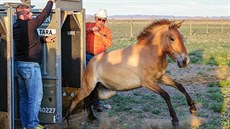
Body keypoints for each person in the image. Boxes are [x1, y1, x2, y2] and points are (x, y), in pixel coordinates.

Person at [13, 0, 56, 128]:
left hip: (19, 66)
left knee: (24, 98)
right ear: (22, 15)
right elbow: (43, 16)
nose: (31, 14)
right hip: (31, 67)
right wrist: (50, 2)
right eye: (29, 13)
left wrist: (43, 39)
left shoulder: (15, 27)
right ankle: (32, 125)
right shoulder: (29, 25)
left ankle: (25, 125)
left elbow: (28, 40)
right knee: (35, 98)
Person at [86, 9, 112, 112]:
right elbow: (80, 30)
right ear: (95, 18)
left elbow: (109, 43)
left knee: (97, 81)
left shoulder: (106, 31)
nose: (101, 22)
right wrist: (91, 30)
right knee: (87, 80)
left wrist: (98, 34)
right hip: (87, 56)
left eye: (103, 20)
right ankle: (88, 101)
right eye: (99, 19)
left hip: (100, 59)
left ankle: (96, 103)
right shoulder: (88, 25)